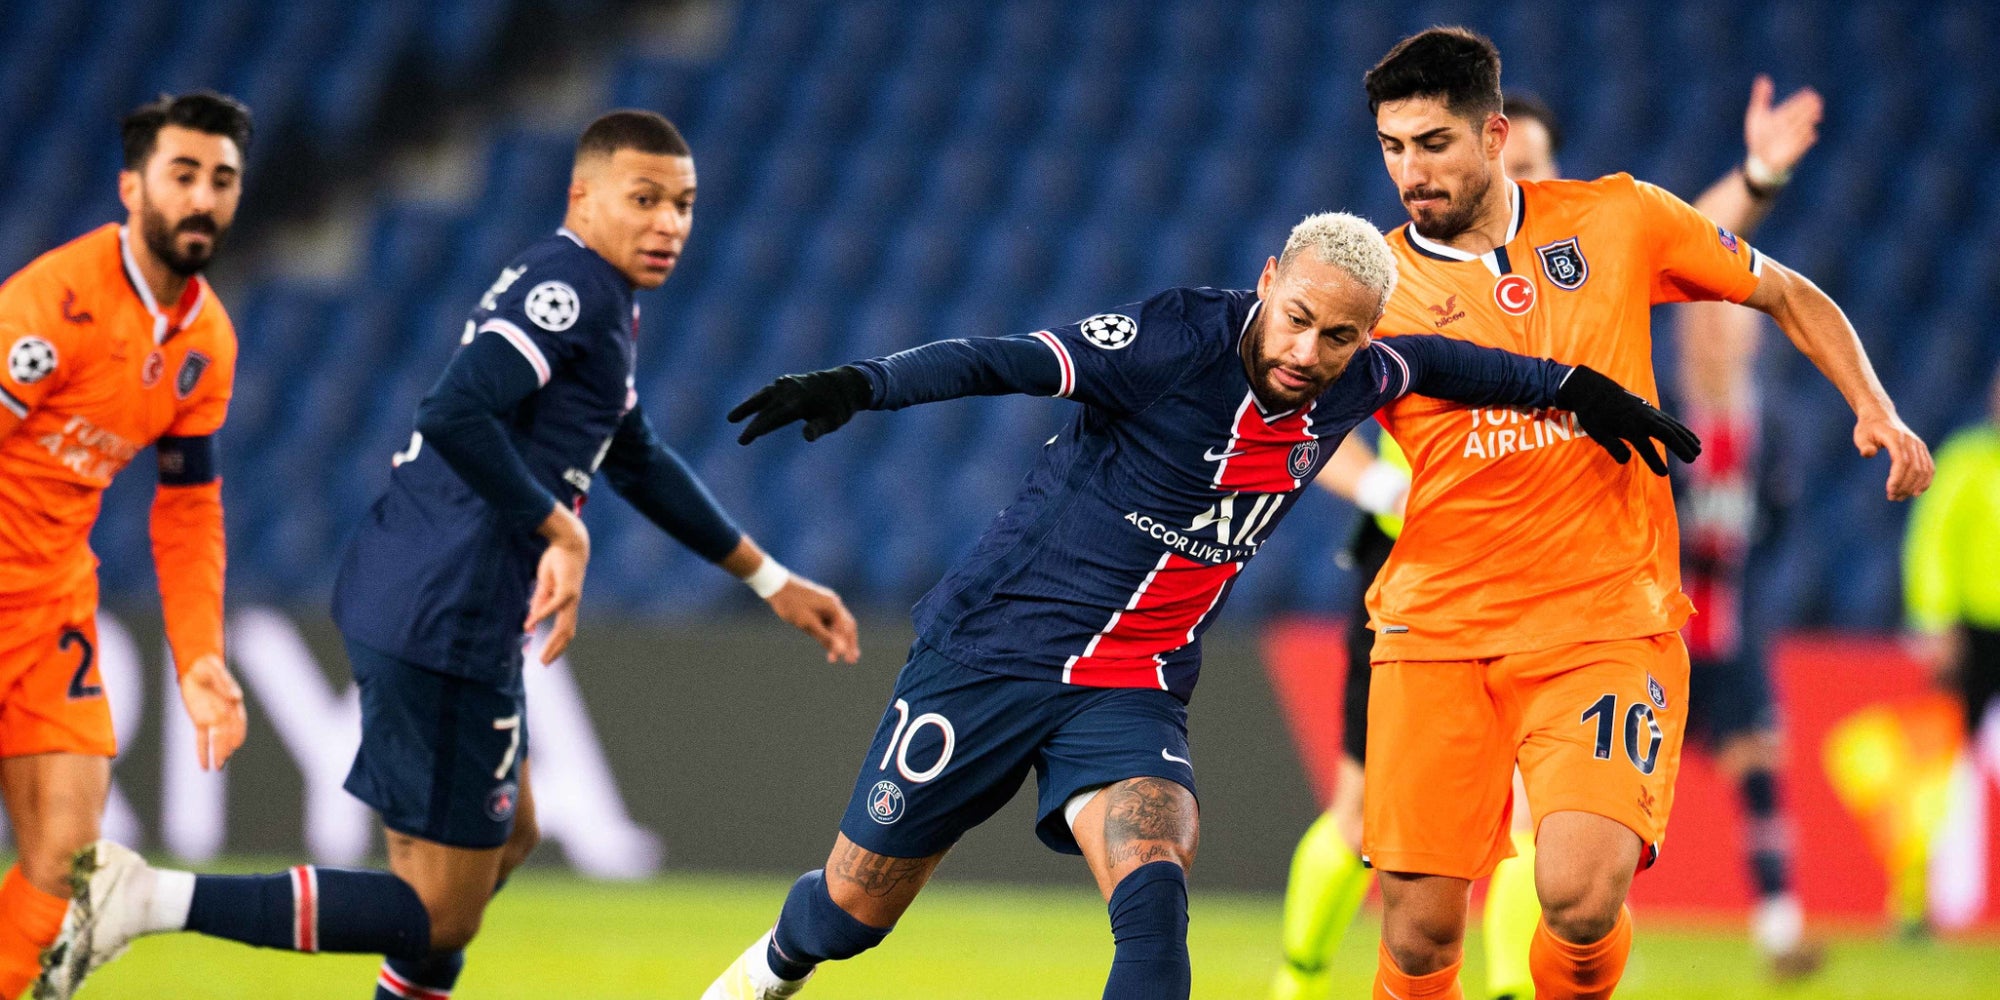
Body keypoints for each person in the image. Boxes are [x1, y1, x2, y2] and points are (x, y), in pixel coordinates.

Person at [702, 211, 1698, 1000]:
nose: (1309, 351)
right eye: (1298, 317)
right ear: (1268, 279)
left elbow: (1453, 364)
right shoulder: (1169, 339)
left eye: (1339, 336)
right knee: (852, 912)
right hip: (991, 650)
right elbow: (1002, 358)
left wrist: (1574, 388)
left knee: (1153, 889)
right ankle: (770, 969)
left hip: (1131, 682)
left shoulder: (1364, 375)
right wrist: (860, 382)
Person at [42, 110, 862, 1000]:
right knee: (439, 912)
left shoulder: (602, 297)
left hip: (431, 589)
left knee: (510, 838)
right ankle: (146, 897)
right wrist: (561, 526)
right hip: (446, 608)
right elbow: (456, 411)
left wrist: (769, 579)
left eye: (684, 204)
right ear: (581, 197)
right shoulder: (572, 288)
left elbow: (634, 453)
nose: (669, 222)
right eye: (645, 199)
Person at [1356, 27, 1930, 1000]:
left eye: (1432, 144)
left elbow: (1781, 290)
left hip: (1601, 622)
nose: (1410, 171)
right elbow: (1269, 390)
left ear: (1493, 135)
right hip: (1436, 628)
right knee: (1416, 939)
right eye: (1391, 147)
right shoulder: (1367, 280)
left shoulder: (1616, 219)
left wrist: (1873, 406)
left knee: (1578, 898)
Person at [1272, 79, 1829, 997]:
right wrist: (1375, 482)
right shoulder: (1395, 275)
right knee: (1359, 816)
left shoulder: (1584, 247)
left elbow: (1689, 239)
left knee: (1548, 831)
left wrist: (1759, 174)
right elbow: (1283, 402)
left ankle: (1508, 987)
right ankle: (1294, 982)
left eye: (1530, 166)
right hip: (1421, 576)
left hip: (1561, 589)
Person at [0, 91, 254, 1000]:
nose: (203, 198)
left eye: (221, 180)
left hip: (50, 606)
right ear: (131, 188)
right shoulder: (49, 306)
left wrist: (198, 658)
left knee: (67, 862)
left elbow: (188, 508)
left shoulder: (208, 342)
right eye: (182, 174)